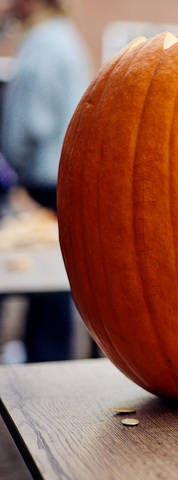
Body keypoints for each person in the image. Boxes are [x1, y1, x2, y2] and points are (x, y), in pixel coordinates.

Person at [0, 0, 91, 361]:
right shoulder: (67, 38)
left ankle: (45, 358)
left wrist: (13, 172)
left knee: (46, 274)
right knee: (56, 272)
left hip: (41, 178)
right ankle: (46, 354)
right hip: (61, 173)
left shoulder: (43, 44)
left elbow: (30, 122)